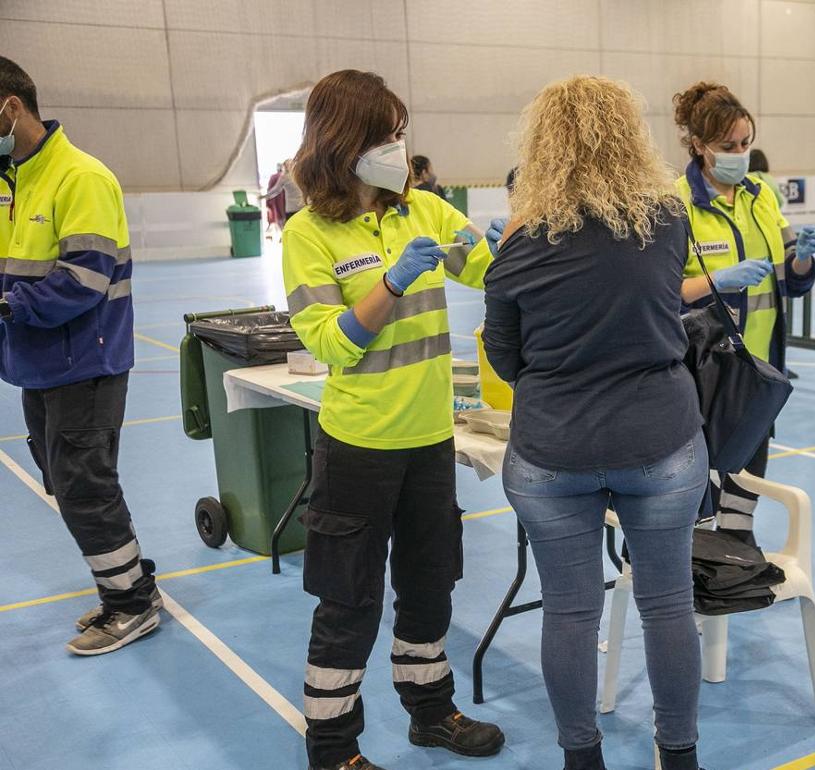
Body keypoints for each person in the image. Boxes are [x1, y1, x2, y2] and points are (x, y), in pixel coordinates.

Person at [281, 69, 507, 770]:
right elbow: (329, 342)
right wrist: (392, 283)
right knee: (349, 600)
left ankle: (431, 711)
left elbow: (489, 270)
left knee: (429, 584)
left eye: (400, 134)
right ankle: (332, 747)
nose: (397, 149)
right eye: (385, 135)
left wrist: (514, 243)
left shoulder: (427, 211)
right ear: (343, 141)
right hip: (359, 447)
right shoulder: (307, 233)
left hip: (430, 441)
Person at [484, 75, 707, 770]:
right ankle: (679, 754)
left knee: (570, 611)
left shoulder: (520, 239)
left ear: (542, 144)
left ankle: (582, 758)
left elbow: (504, 357)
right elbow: (663, 306)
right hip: (660, 441)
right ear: (629, 135)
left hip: (553, 450)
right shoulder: (668, 220)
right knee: (668, 606)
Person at [0, 57, 162, 655]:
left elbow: (83, 280)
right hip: (36, 362)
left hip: (84, 363)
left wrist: (7, 306)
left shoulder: (81, 177)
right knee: (65, 481)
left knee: (85, 486)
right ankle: (130, 585)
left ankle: (131, 606)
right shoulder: (11, 180)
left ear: (11, 107)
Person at [672, 81, 815, 544]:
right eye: (728, 146)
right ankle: (695, 565)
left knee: (745, 486)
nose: (740, 154)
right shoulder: (675, 204)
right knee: (696, 493)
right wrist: (717, 281)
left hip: (757, 371)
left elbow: (790, 277)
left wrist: (803, 259)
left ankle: (736, 552)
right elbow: (659, 293)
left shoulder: (762, 195)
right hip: (703, 374)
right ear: (699, 145)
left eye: (745, 143)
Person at [265, 161, 286, 236]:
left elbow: (270, 189)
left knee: (279, 218)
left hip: (276, 202)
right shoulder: (285, 176)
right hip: (285, 201)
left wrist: (267, 201)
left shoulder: (274, 177)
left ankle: (283, 234)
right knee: (285, 218)